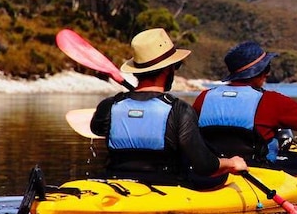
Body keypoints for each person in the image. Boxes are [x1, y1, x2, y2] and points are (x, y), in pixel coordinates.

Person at [90, 28, 247, 188]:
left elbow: (96, 129)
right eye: (176, 66)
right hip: (166, 185)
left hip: (113, 180)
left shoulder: (109, 106)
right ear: (167, 69)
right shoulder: (180, 110)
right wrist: (231, 163)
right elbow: (205, 166)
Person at [192, 40, 297, 175]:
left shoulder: (203, 97)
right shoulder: (271, 101)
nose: (267, 74)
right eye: (266, 69)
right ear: (259, 72)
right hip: (259, 168)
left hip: (216, 168)